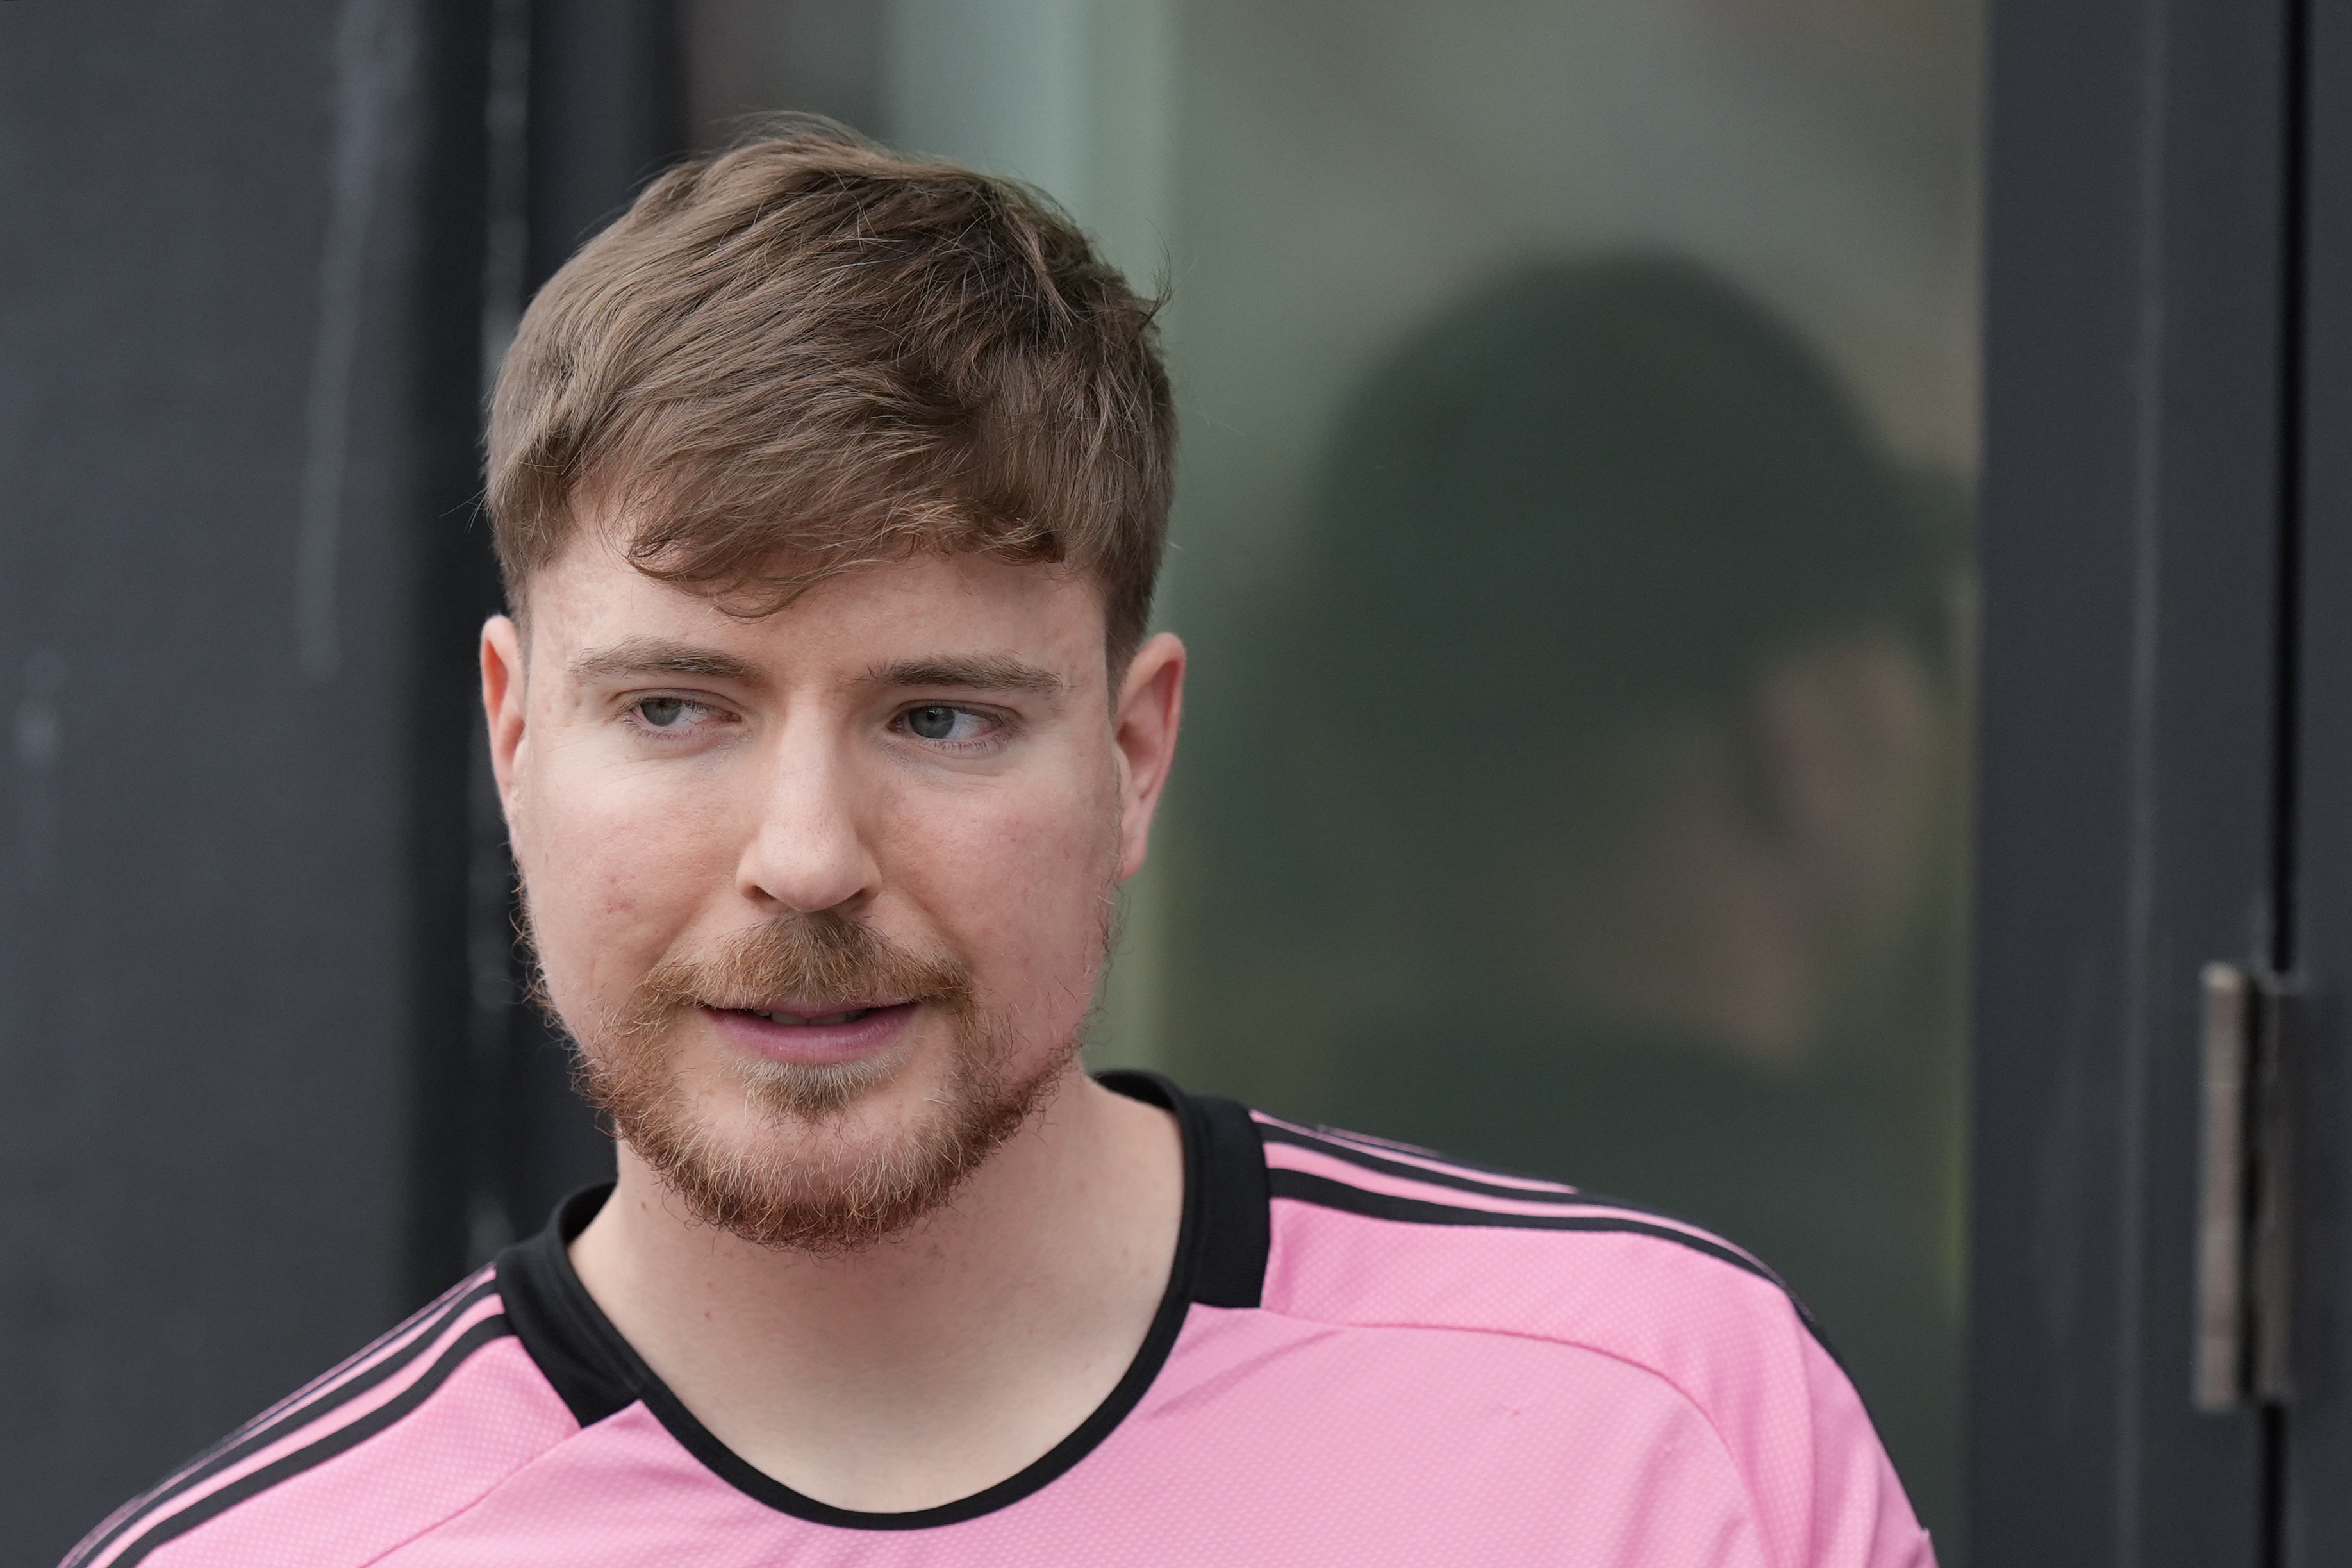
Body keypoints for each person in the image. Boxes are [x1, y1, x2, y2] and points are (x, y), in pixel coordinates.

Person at [65, 127, 1933, 1567]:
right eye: (677, 710)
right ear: (513, 737)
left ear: (1132, 758)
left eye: (938, 717)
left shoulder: (1657, 1437)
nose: (805, 858)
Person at [1189, 258, 1971, 1543]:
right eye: (1913, 644)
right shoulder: (1849, 1379)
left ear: (1341, 782)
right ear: (1790, 746)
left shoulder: (1213, 1294)